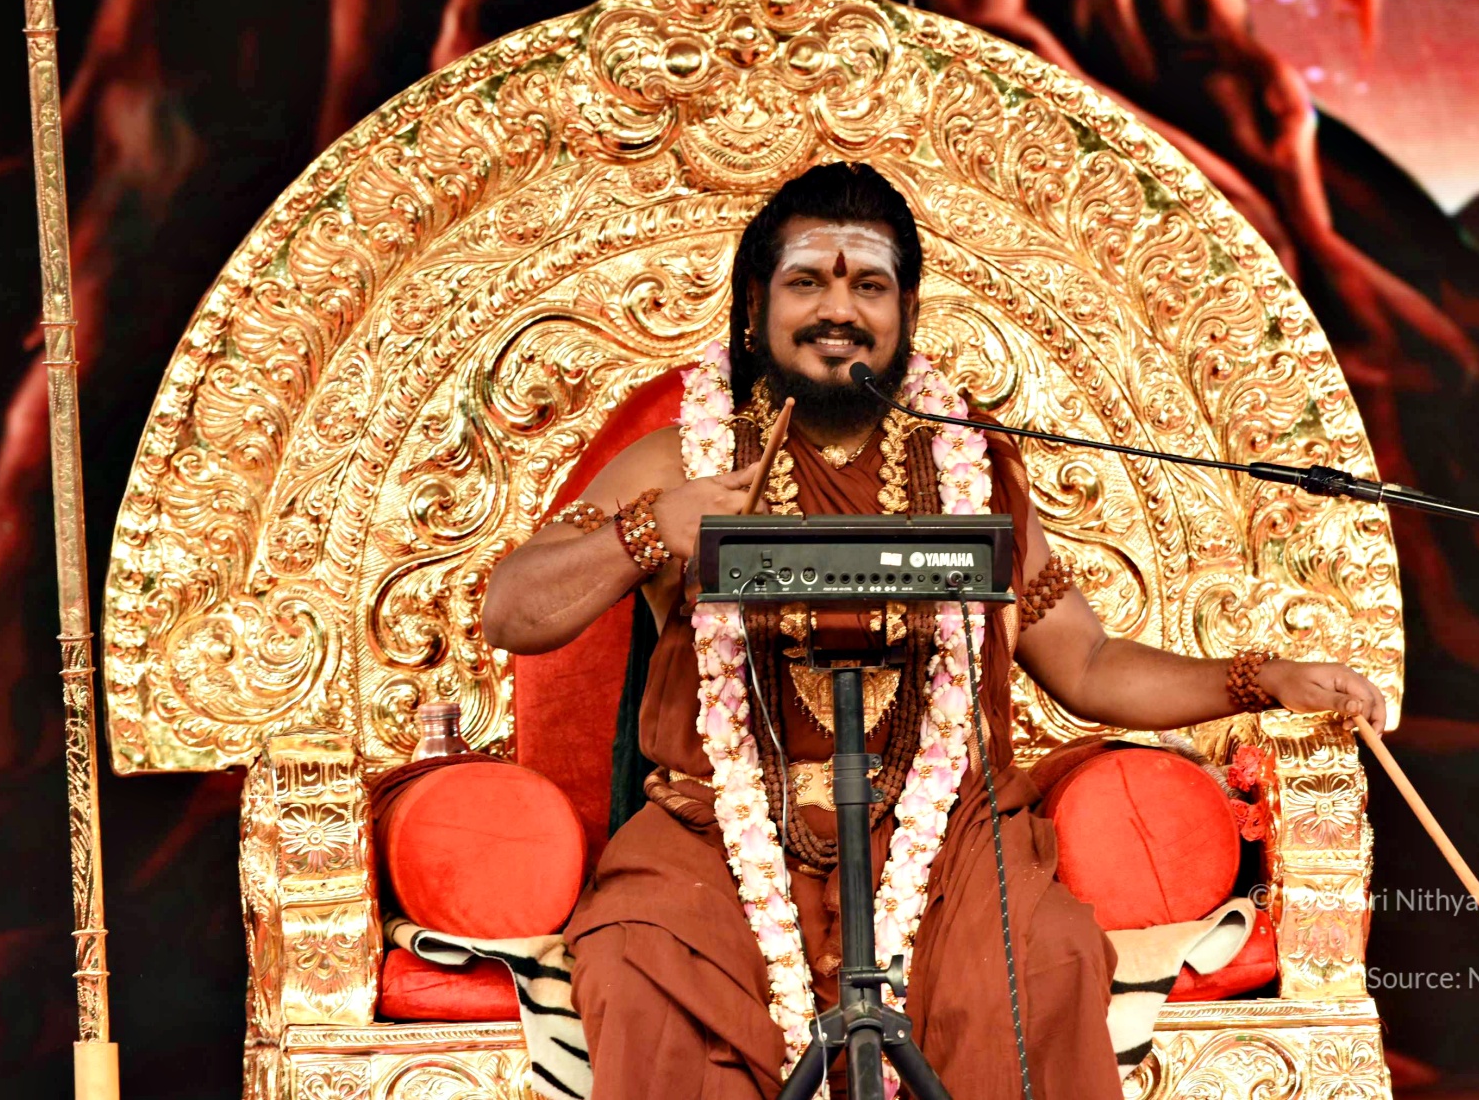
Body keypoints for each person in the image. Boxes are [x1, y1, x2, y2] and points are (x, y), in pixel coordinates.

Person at [478, 162, 1388, 1099]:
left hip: (947, 839)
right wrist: (649, 530)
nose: (839, 310)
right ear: (755, 305)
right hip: (717, 837)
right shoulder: (682, 459)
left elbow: (1087, 663)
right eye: (807, 282)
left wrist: (1264, 678)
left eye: (869, 286)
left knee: (1044, 959)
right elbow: (512, 611)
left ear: (906, 310)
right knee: (643, 966)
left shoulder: (969, 471)